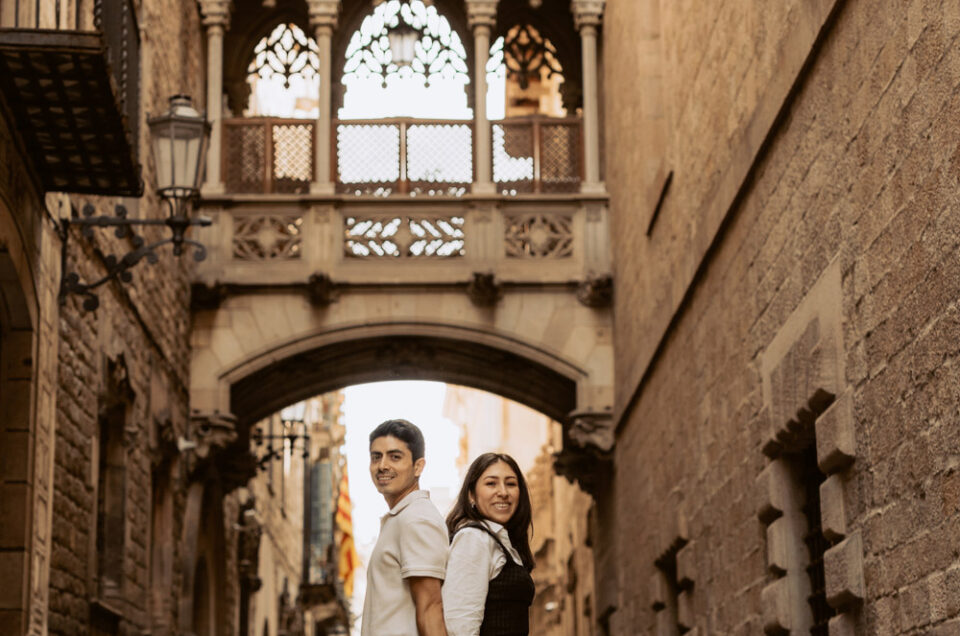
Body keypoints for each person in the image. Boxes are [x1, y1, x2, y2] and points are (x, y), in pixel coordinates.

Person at [361, 419, 449, 636]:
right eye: (376, 457)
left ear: (418, 466)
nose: (383, 465)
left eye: (395, 457)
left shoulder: (416, 518)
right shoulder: (401, 518)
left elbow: (431, 608)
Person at [442, 453, 536, 636]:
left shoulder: (503, 542)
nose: (503, 492)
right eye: (491, 483)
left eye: (511, 484)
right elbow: (459, 626)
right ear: (471, 495)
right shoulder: (474, 538)